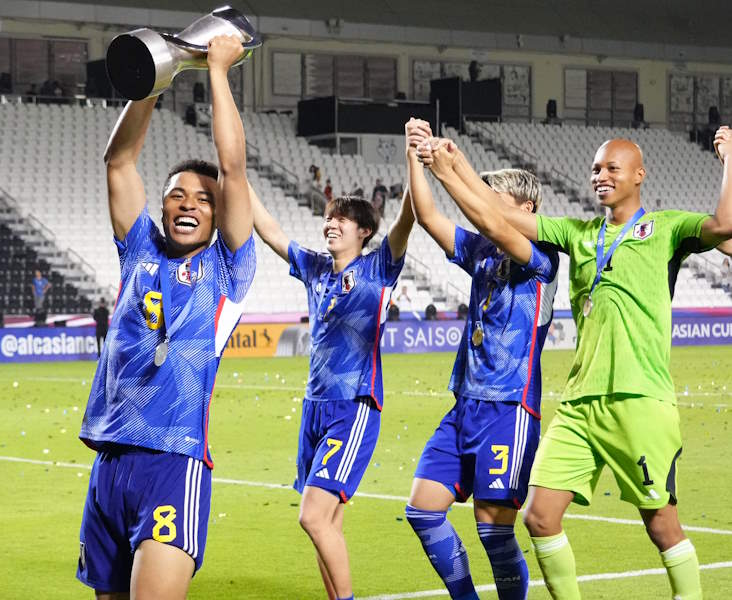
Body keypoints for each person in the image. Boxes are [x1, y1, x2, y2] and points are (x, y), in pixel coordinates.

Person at [431, 125, 732, 600]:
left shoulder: (668, 228)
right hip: (579, 405)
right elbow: (495, 217)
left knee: (662, 526)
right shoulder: (578, 234)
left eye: (612, 168)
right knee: (540, 517)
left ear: (639, 175)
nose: (601, 176)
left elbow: (725, 225)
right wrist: (453, 164)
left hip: (639, 401)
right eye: (595, 169)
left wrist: (730, 158)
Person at [76, 35, 256, 599]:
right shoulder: (140, 252)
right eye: (177, 194)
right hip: (109, 459)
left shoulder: (228, 270)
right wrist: (155, 76)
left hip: (174, 463)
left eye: (203, 199)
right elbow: (119, 161)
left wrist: (219, 72)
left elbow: (232, 167)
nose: (187, 204)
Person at [249, 145, 414, 598]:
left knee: (312, 516)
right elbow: (269, 230)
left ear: (363, 231)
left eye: (342, 219)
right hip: (315, 405)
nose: (331, 223)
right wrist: (235, 176)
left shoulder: (378, 268)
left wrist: (415, 163)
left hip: (354, 405)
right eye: (329, 217)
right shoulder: (317, 269)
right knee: (328, 523)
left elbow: (406, 220)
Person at [407, 118, 558, 600]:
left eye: (492, 196)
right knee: (423, 510)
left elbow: (491, 219)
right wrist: (414, 154)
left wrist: (449, 167)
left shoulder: (542, 254)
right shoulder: (483, 250)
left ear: (527, 209)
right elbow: (428, 216)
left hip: (509, 408)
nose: (479, 205)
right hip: (465, 405)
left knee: (494, 532)